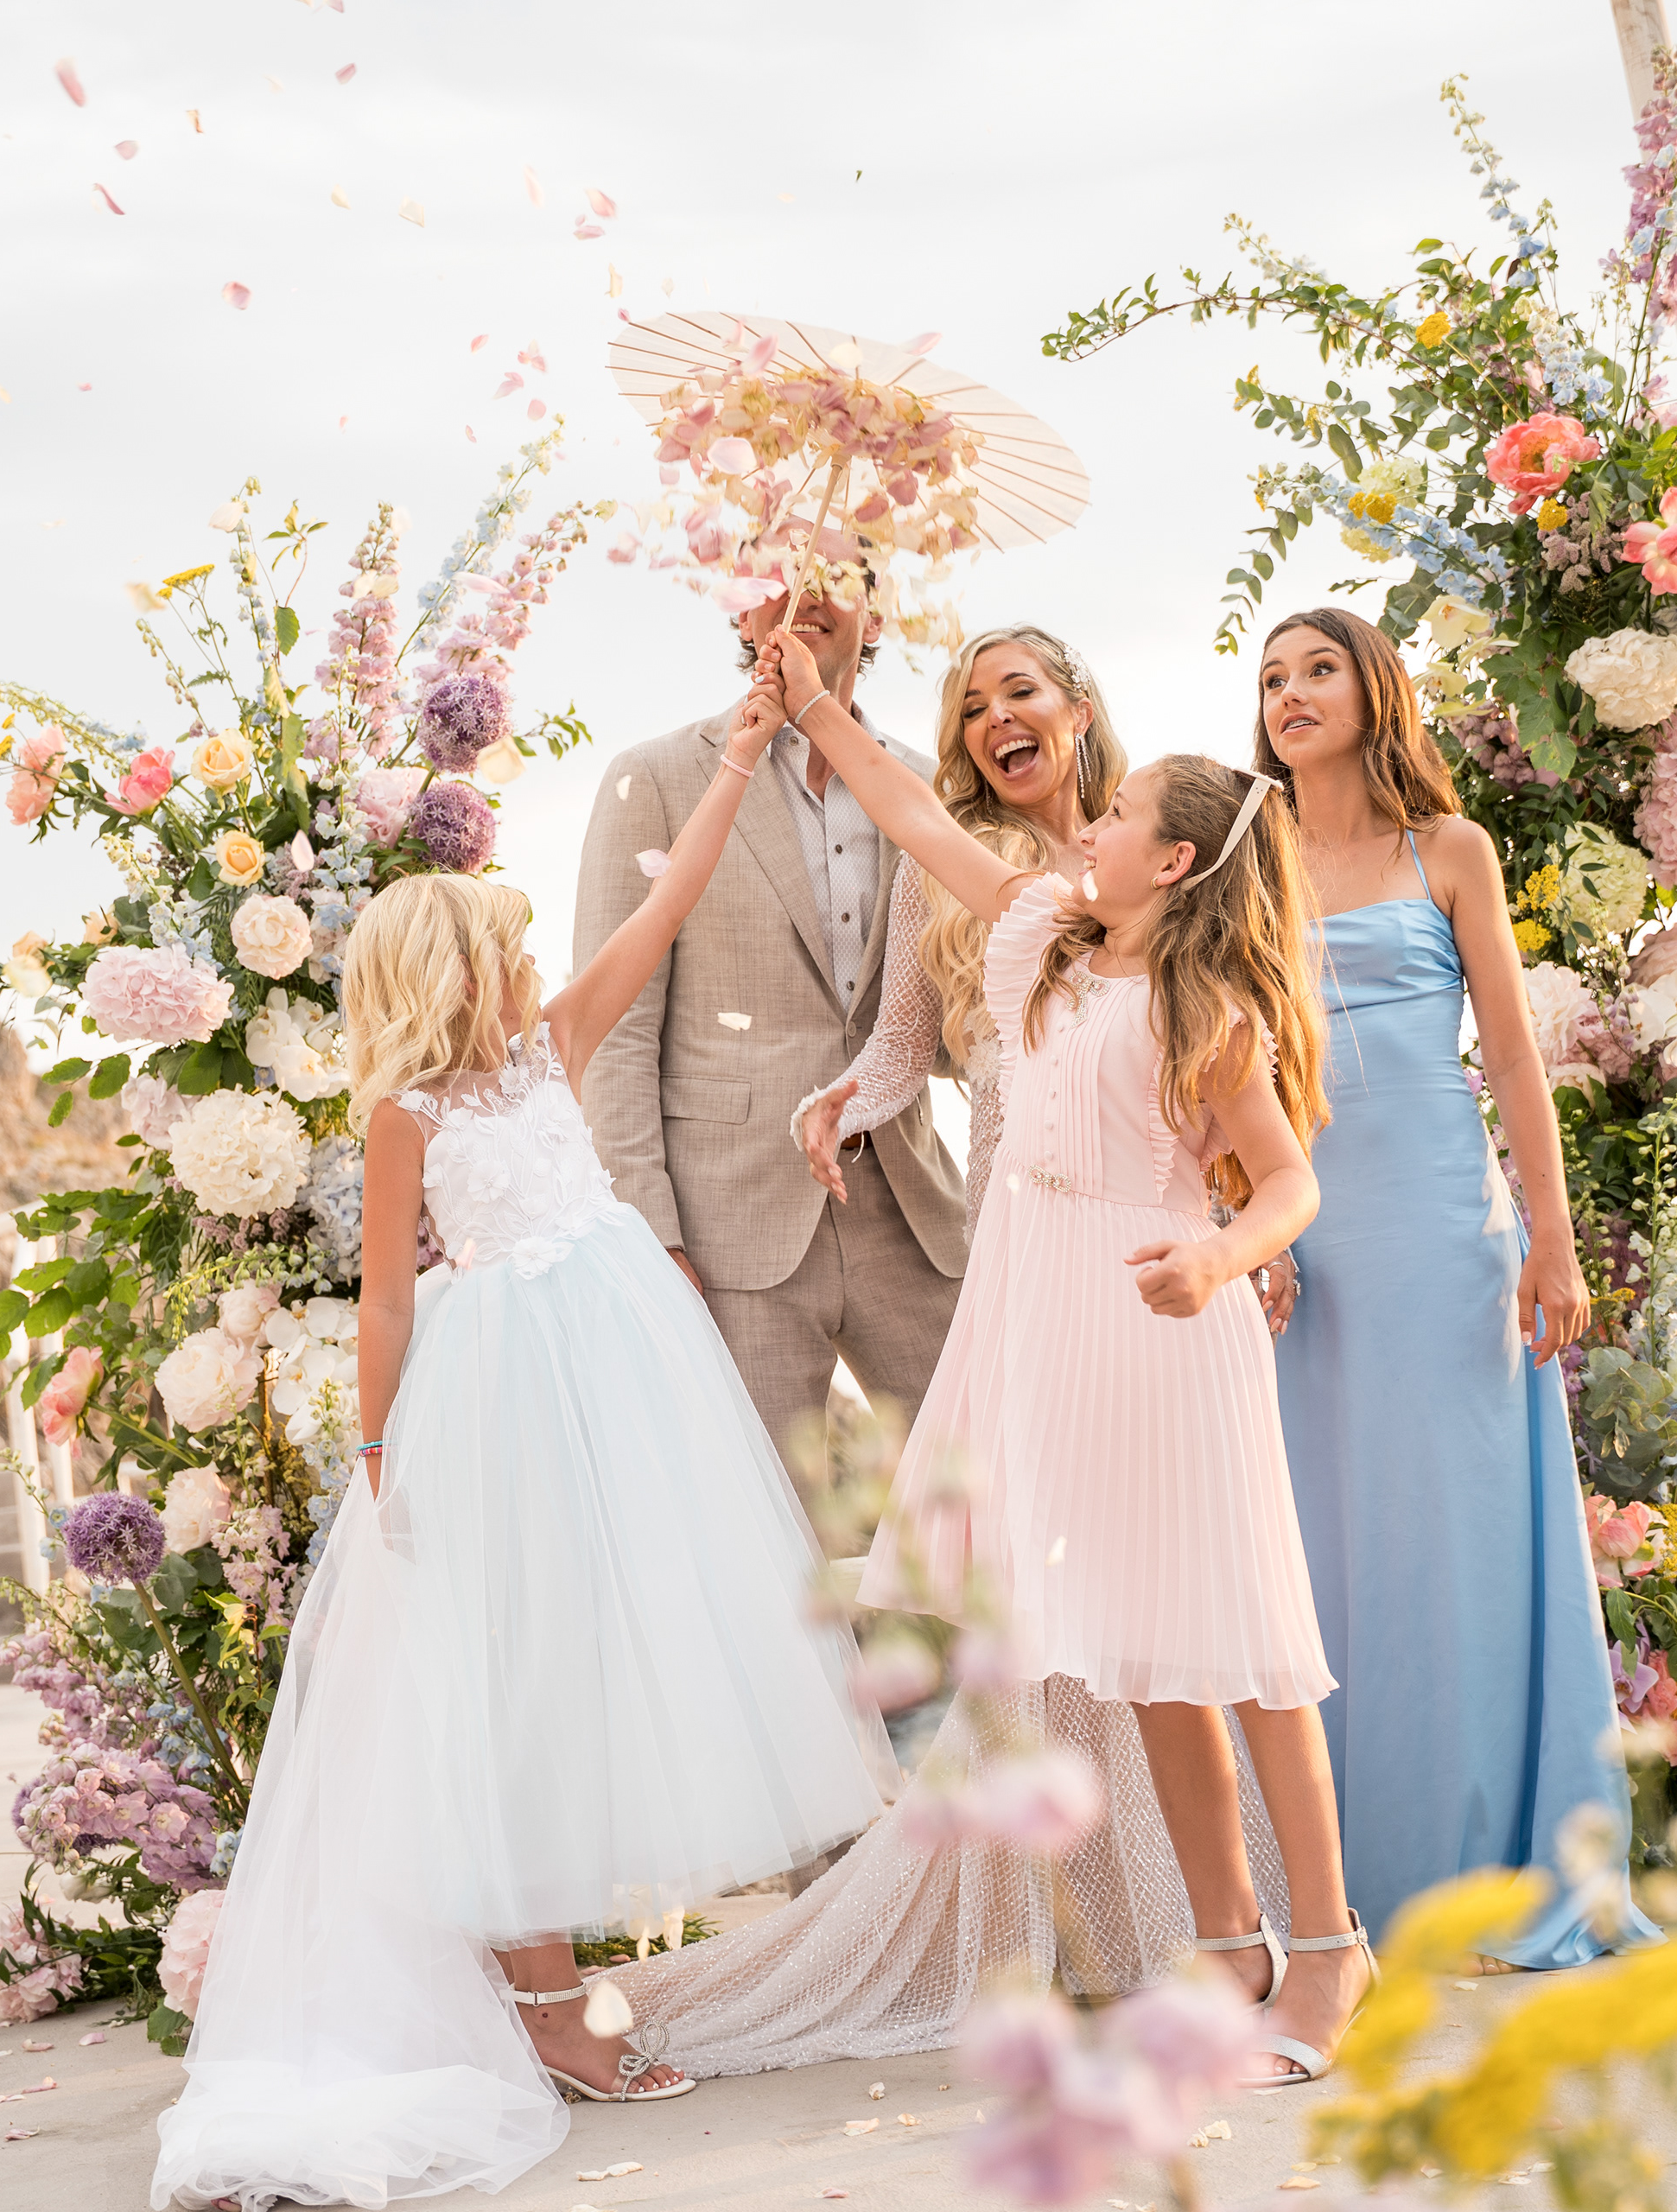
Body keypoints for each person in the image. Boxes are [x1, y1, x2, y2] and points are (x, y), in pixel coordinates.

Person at [151, 675, 898, 2211]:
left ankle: (564, 1986)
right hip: (498, 1393)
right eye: (509, 948)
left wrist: (736, 759)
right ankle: (551, 2005)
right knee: (515, 1673)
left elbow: (666, 909)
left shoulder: (555, 1047)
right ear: (455, 974)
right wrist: (376, 1453)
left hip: (622, 1371)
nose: (537, 962)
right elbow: (384, 1299)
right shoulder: (405, 1116)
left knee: (631, 1645)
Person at [750, 627, 1375, 2088]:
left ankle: (1328, 1949)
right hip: (1041, 1326)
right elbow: (915, 817)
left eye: (1120, 817)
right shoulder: (1038, 940)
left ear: (1171, 864)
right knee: (1146, 1664)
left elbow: (1289, 1183)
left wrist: (1221, 1256)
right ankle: (1225, 1948)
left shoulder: (1209, 1014)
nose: (1089, 830)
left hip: (1165, 1336)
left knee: (1249, 1657)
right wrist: (817, 708)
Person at [1252, 606, 1658, 1969]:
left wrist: (1552, 1238)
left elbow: (1516, 1059)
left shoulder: (1451, 850)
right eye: (1273, 676)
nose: (1291, 692)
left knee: (1461, 1539)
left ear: (1376, 691)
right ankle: (1344, 1884)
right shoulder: (1250, 860)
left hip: (1441, 1228)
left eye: (1319, 669)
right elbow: (1222, 1057)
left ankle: (1485, 1865)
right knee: (1326, 1544)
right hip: (1306, 1243)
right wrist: (1249, 1227)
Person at [574, 569, 967, 1454]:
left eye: (835, 573)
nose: (805, 592)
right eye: (776, 572)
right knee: (765, 1521)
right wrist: (649, 1234)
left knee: (983, 1492)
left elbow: (958, 1016)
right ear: (740, 607)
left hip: (914, 1214)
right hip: (727, 1230)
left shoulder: (932, 786)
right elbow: (614, 1031)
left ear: (876, 612)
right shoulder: (655, 778)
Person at [791, 625, 1127, 1238]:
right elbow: (902, 1044)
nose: (996, 716)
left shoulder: (1143, 851)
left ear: (1080, 714)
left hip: (1152, 1199)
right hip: (1020, 1216)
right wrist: (837, 1107)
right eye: (973, 711)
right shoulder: (936, 873)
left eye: (1019, 691)